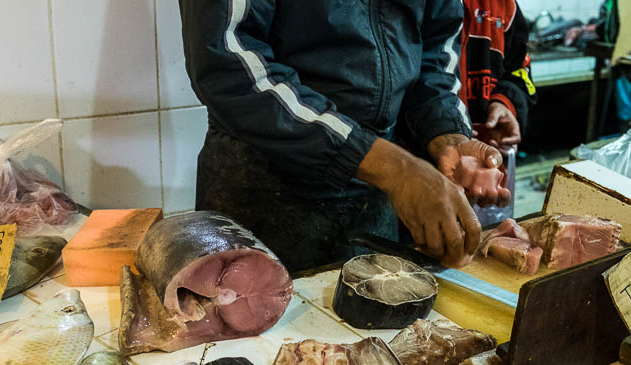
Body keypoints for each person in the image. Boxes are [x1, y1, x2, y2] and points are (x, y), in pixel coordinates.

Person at [179, 0, 510, 273]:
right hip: (263, 196)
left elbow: (434, 54)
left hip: (374, 204)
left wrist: (447, 136)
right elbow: (228, 64)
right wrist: (398, 169)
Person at [460, 0, 536, 149]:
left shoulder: (505, 5)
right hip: (419, 160)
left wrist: (503, 103)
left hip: (487, 152)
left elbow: (519, 70)